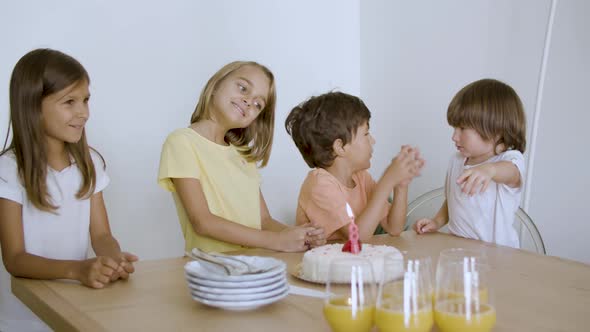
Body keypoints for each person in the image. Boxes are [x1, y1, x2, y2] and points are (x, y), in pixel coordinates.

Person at [0, 49, 137, 330]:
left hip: (74, 308)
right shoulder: (8, 170)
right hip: (23, 318)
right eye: (70, 102)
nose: (83, 113)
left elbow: (101, 234)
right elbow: (15, 259)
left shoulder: (90, 163)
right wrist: (77, 269)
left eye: (86, 100)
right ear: (33, 105)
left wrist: (112, 256)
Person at [158, 61, 325, 253]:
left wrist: (299, 235)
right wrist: (276, 241)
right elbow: (202, 222)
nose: (248, 101)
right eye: (243, 88)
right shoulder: (181, 142)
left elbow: (264, 221)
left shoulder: (244, 155)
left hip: (253, 267)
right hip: (211, 270)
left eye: (258, 104)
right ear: (216, 84)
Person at [285, 91, 424, 241]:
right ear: (341, 147)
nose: (373, 140)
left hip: (352, 262)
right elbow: (357, 238)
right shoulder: (320, 185)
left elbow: (394, 228)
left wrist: (400, 185)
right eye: (366, 134)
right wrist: (387, 181)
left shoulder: (361, 177)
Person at [414, 78, 527, 248]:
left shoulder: (508, 159)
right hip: (460, 251)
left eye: (462, 128)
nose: (454, 136)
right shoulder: (456, 160)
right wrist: (437, 221)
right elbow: (453, 199)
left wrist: (490, 170)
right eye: (454, 129)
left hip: (499, 257)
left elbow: (512, 173)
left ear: (494, 129)